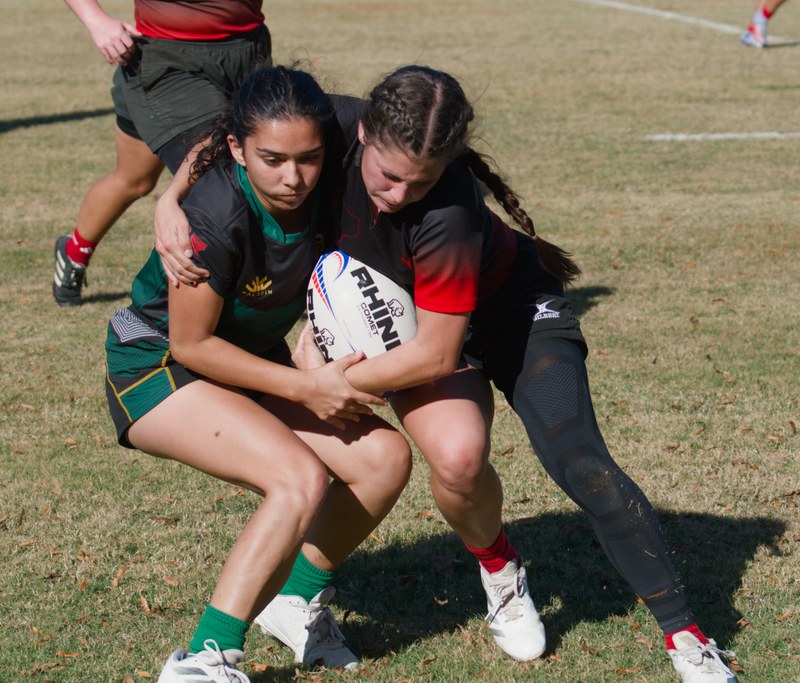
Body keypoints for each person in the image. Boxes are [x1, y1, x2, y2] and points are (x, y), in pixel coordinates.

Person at [154, 66, 738, 682]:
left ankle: (687, 637)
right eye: (388, 175)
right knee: (458, 459)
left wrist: (327, 383)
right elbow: (239, 126)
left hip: (508, 316)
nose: (399, 194)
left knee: (580, 460)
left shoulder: (449, 210)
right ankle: (499, 564)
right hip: (406, 321)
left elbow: (436, 355)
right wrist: (170, 198)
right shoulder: (333, 125)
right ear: (363, 134)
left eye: (422, 179)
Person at [104, 65, 412, 683]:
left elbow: (408, 132)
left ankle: (293, 602)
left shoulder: (325, 166)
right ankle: (203, 660)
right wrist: (306, 385)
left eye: (308, 158)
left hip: (250, 356)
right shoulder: (214, 216)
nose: (292, 177)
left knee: (384, 460)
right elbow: (192, 344)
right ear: (239, 150)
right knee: (297, 477)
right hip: (158, 362)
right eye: (272, 159)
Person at [53, 0, 272, 306]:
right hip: (165, 61)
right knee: (222, 175)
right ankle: (247, 289)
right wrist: (96, 20)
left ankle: (72, 250)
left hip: (247, 51)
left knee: (135, 179)